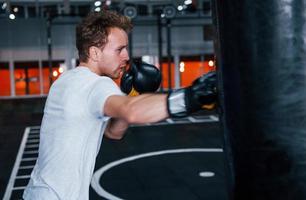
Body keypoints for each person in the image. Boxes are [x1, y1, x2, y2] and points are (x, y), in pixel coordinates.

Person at [23, 10, 217, 200]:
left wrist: (131, 94)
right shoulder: (94, 84)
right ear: (94, 52)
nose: (126, 56)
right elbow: (131, 111)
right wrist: (192, 96)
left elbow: (113, 132)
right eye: (119, 49)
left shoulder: (67, 80)